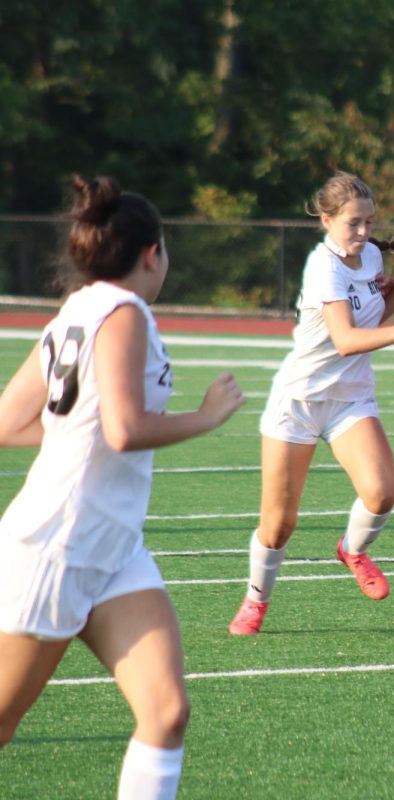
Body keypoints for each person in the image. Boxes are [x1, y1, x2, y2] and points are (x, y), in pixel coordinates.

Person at [0, 175, 245, 798]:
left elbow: (10, 422)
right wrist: (207, 416)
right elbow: (124, 429)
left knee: (166, 713)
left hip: (111, 547)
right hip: (58, 546)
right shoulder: (124, 310)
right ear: (150, 254)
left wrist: (73, 436)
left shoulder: (78, 306)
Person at [227, 172, 394, 636]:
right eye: (353, 223)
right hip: (300, 402)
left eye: (369, 222)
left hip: (350, 400)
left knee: (382, 493)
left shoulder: (367, 256)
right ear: (326, 220)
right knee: (279, 526)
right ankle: (255, 600)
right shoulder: (321, 266)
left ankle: (352, 550)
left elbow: (371, 318)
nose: (364, 233)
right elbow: (346, 340)